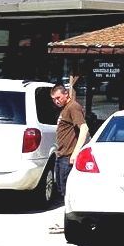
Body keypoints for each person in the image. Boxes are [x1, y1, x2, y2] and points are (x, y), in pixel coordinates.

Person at [49, 84, 89, 233]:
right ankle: (66, 221)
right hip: (61, 154)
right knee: (62, 191)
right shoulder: (64, 109)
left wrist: (76, 153)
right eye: (54, 99)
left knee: (68, 191)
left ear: (66, 94)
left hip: (69, 156)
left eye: (58, 98)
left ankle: (70, 223)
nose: (56, 101)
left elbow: (84, 129)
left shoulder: (73, 107)